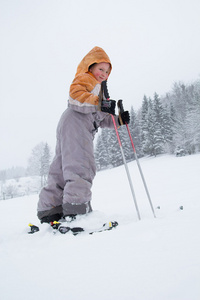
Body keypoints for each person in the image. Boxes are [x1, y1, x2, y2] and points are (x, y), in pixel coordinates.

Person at [37, 46, 130, 223]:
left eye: (107, 71)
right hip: (77, 122)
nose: (103, 74)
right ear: (90, 66)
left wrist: (118, 119)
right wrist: (99, 103)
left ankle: (50, 209)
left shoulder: (98, 88)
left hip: (72, 123)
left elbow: (99, 119)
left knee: (62, 165)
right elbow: (76, 97)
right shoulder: (85, 79)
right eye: (100, 69)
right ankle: (77, 210)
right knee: (81, 164)